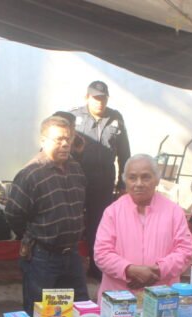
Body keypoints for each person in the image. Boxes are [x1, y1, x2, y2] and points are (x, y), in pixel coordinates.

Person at [5, 115, 89, 315]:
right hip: (43, 258)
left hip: (73, 255)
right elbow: (13, 214)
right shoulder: (31, 174)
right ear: (43, 141)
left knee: (80, 312)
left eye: (67, 139)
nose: (64, 144)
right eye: (58, 139)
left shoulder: (76, 169)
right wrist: (32, 236)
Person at [94, 154, 192, 300]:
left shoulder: (173, 211)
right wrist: (129, 270)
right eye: (132, 177)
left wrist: (158, 271)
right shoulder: (112, 212)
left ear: (157, 179)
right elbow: (101, 253)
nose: (139, 183)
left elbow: (185, 251)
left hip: (161, 299)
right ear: (125, 181)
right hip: (118, 300)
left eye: (146, 177)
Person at [70, 80, 131, 279]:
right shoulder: (75, 117)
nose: (100, 103)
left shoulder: (116, 118)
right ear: (87, 97)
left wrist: (124, 183)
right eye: (96, 98)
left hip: (104, 180)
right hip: (77, 180)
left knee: (99, 223)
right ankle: (72, 268)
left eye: (103, 99)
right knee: (73, 222)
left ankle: (96, 268)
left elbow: (124, 152)